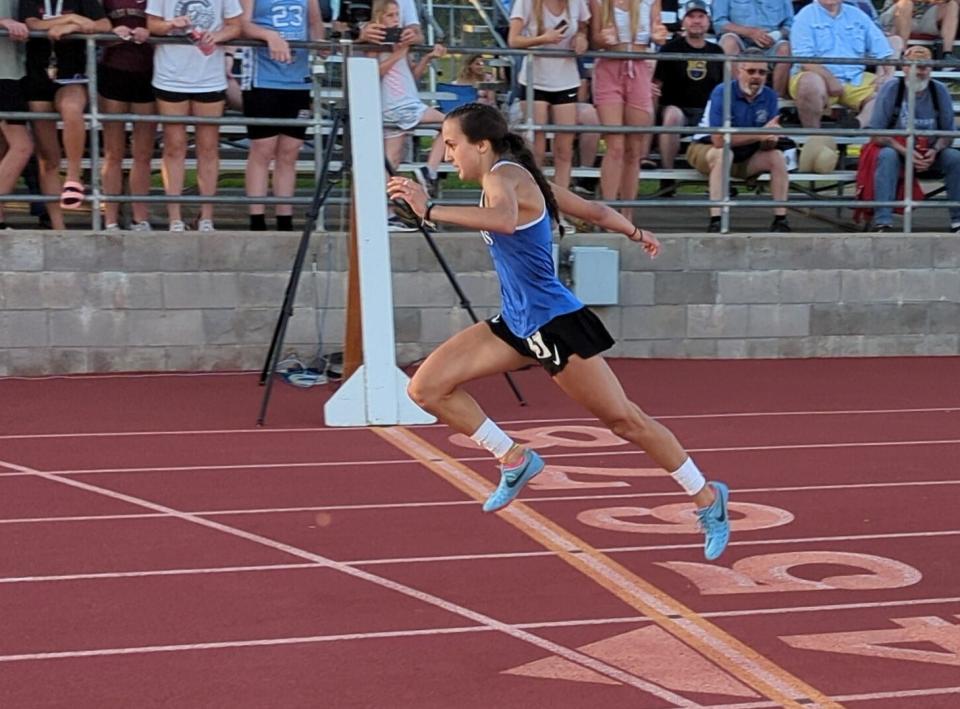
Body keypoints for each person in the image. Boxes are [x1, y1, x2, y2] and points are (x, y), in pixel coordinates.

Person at [385, 102, 731, 561]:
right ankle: (514, 458)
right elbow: (593, 209)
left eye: (452, 145)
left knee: (623, 420)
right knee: (427, 388)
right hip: (516, 322)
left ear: (482, 145)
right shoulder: (521, 177)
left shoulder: (501, 178)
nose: (448, 155)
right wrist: (634, 231)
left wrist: (430, 210)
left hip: (555, 324)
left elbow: (506, 220)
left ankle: (707, 497)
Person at [147, 0, 243, 232]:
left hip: (209, 77)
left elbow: (235, 26)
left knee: (208, 148)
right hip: (170, 75)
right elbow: (152, 24)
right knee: (174, 146)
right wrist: (171, 24)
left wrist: (217, 36)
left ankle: (206, 217)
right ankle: (175, 218)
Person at [19, 0, 111, 228]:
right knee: (47, 158)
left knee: (71, 108)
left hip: (71, 76)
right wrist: (73, 19)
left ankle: (72, 176)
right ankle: (58, 225)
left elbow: (103, 24)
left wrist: (73, 26)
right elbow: (32, 23)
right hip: (38, 77)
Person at [686, 49, 792, 232]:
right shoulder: (722, 92)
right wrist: (759, 135)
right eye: (751, 71)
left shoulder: (770, 96)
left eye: (762, 72)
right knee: (722, 154)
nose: (757, 77)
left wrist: (771, 138)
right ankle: (716, 220)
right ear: (739, 71)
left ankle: (780, 219)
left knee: (776, 157)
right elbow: (718, 140)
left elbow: (767, 141)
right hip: (706, 148)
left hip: (746, 153)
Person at [240, 0, 324, 231]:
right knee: (263, 149)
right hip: (263, 78)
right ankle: (257, 218)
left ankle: (284, 218)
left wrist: (320, 43)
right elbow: (243, 23)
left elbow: (315, 22)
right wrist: (269, 35)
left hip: (297, 80)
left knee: (290, 151)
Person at [867, 44, 960, 231]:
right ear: (905, 67)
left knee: (955, 158)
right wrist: (905, 150)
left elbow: (948, 133)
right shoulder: (892, 89)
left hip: (930, 153)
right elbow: (876, 133)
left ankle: (958, 220)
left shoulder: (938, 90)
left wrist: (935, 150)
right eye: (916, 66)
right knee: (886, 156)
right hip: (898, 151)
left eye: (925, 67)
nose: (921, 71)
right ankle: (883, 221)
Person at [590, 0, 668, 222]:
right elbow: (594, 40)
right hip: (609, 68)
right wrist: (602, 39)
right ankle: (608, 213)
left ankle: (627, 215)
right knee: (615, 145)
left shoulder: (650, 2)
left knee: (634, 149)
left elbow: (658, 31)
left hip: (639, 69)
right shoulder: (598, 3)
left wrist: (659, 35)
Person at [508, 0, 590, 198]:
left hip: (566, 79)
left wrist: (581, 38)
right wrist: (542, 39)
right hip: (534, 79)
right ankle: (535, 200)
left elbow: (583, 27)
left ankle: (560, 204)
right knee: (536, 145)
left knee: (564, 149)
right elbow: (513, 39)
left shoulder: (576, 4)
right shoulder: (526, 3)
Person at [370, 0, 445, 215]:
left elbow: (411, 76)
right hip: (395, 104)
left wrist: (427, 57)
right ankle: (427, 171)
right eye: (391, 15)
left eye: (397, 15)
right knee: (451, 122)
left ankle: (390, 212)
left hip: (407, 100)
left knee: (393, 161)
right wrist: (398, 53)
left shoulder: (401, 42)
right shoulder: (377, 43)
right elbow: (374, 72)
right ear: (380, 18)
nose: (396, 20)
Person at [652, 0, 724, 195]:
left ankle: (721, 181)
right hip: (677, 108)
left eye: (701, 16)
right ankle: (667, 177)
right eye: (691, 16)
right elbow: (656, 85)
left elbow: (724, 88)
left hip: (707, 112)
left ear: (708, 21)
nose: (696, 21)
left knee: (723, 117)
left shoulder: (717, 52)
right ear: (683, 21)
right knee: (672, 116)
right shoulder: (670, 49)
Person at [99, 0, 157, 231]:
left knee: (143, 154)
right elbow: (95, 26)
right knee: (113, 153)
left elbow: (167, 26)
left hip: (149, 73)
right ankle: (110, 218)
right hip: (113, 71)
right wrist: (112, 32)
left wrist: (150, 32)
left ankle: (139, 218)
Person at [789, 0, 893, 128]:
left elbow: (883, 50)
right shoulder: (804, 16)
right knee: (809, 82)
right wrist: (830, 79)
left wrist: (888, 74)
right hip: (817, 76)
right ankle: (814, 136)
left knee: (889, 88)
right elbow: (804, 60)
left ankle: (855, 125)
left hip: (854, 78)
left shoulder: (858, 15)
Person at [712, 0, 794, 96]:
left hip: (771, 43)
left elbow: (790, 24)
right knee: (729, 42)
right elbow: (719, 23)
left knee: (785, 48)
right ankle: (738, 96)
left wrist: (777, 34)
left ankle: (776, 100)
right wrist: (749, 32)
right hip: (740, 40)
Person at [0, 7, 33, 227]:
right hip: (4, 75)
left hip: (15, 72)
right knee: (22, 146)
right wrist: (4, 21)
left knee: (3, 147)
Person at [879, 0, 960, 65]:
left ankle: (947, 54)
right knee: (905, 3)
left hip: (923, 18)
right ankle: (902, 54)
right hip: (895, 17)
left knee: (952, 5)